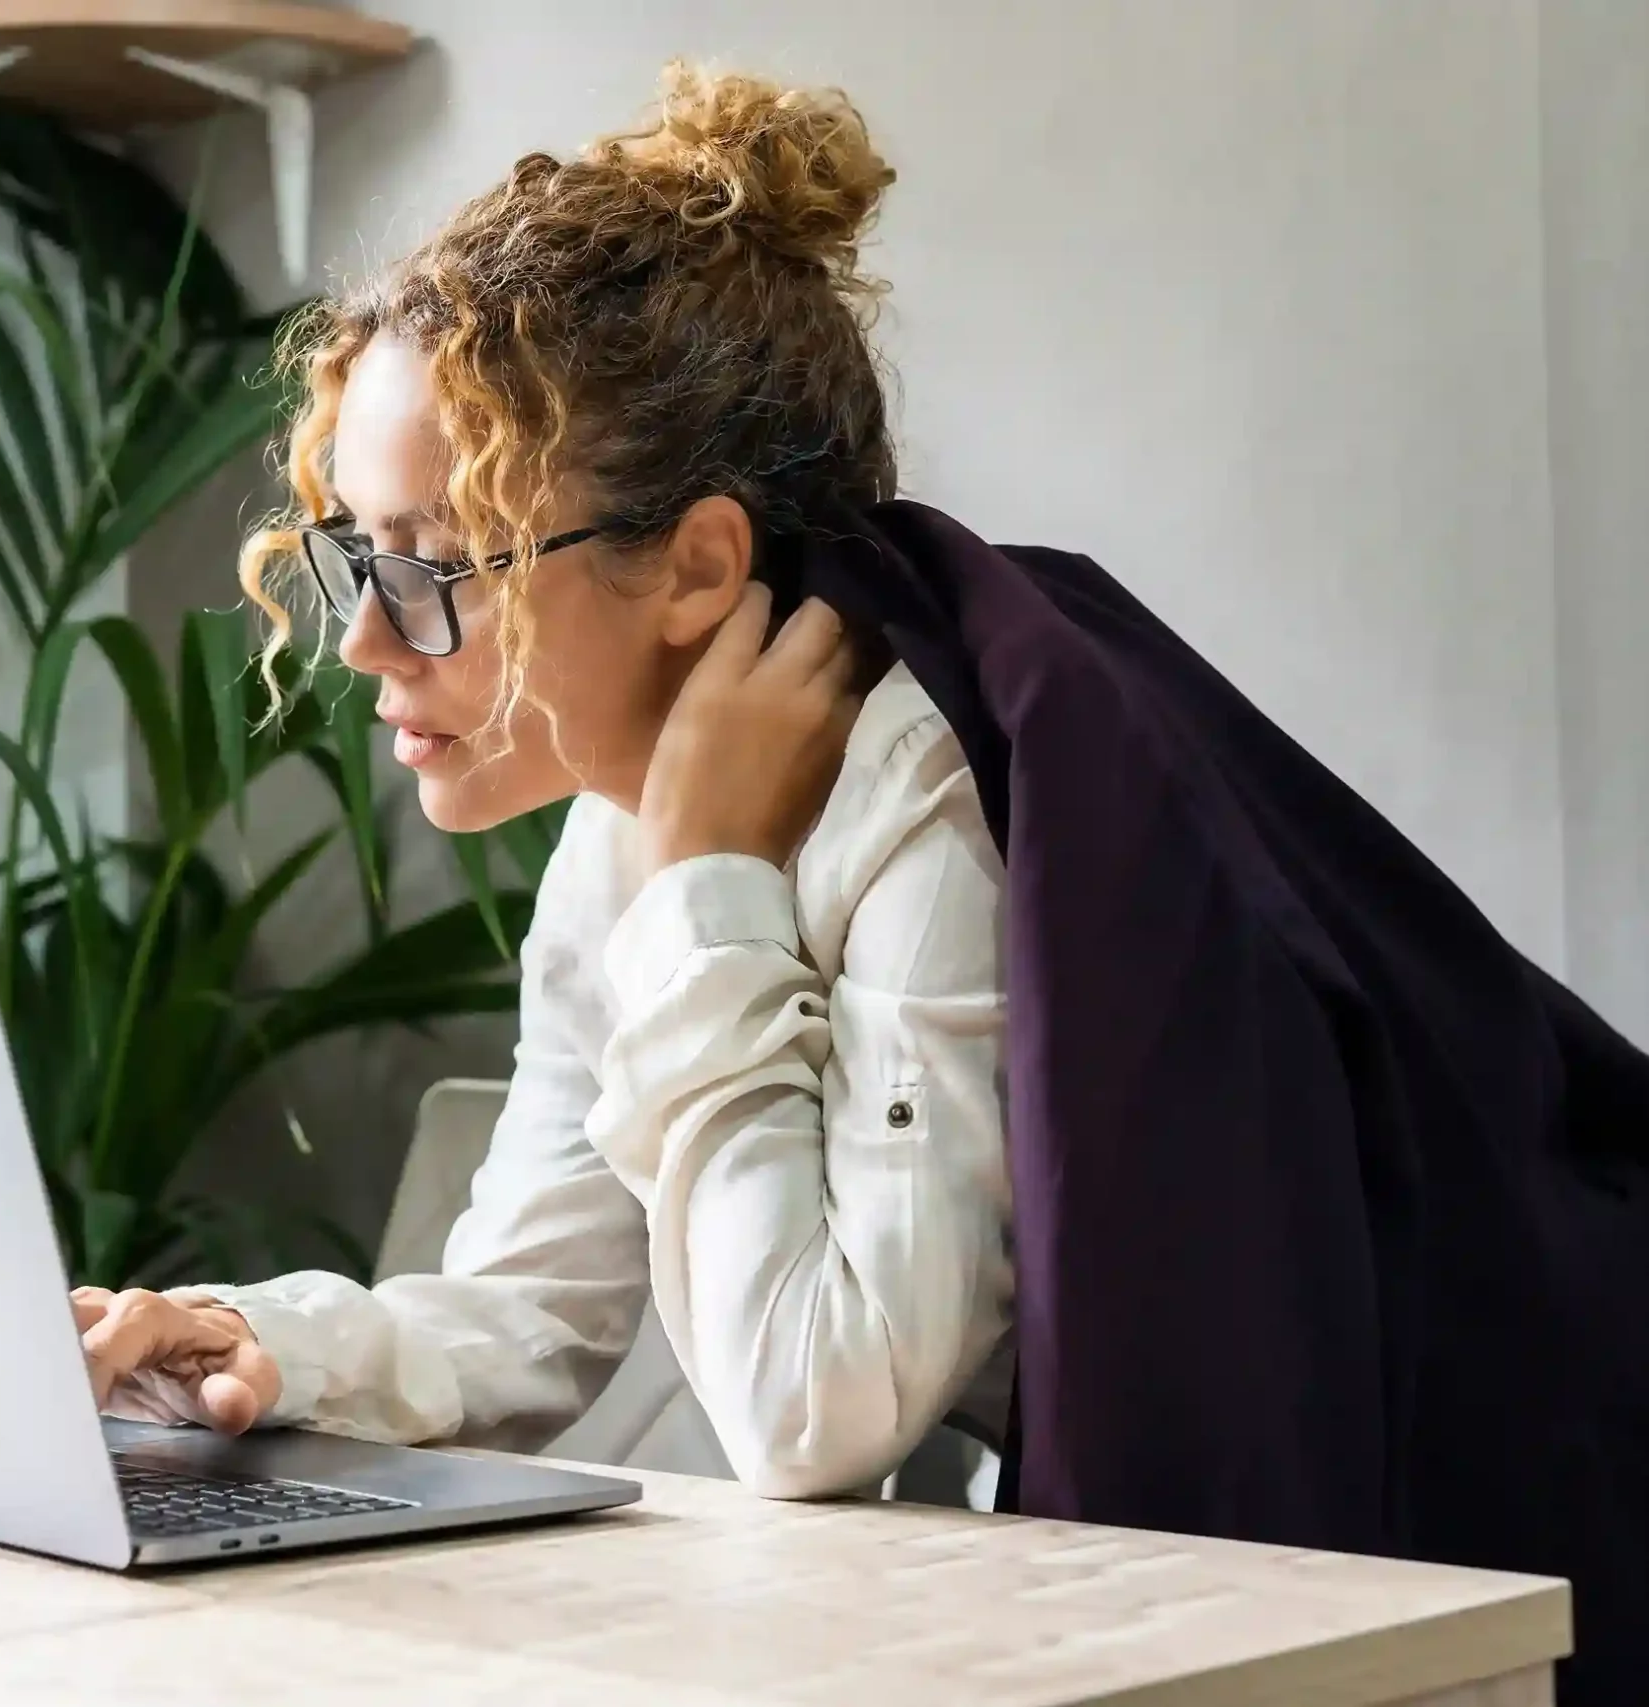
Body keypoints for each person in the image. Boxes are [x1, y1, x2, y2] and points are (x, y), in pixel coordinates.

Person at [69, 64, 1016, 1500]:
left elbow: (817, 1414)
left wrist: (710, 883)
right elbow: (531, 1309)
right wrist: (250, 1340)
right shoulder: (613, 838)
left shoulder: (929, 815)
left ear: (696, 566)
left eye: (438, 565)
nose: (366, 637)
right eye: (359, 558)